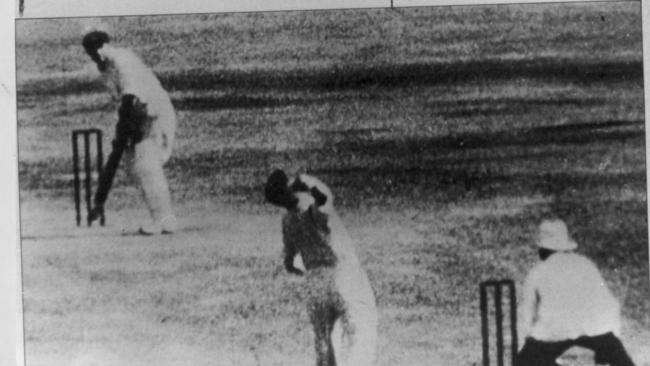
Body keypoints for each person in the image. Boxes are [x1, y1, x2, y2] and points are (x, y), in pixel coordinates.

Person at [82, 30, 177, 235]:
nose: (92, 59)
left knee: (146, 162)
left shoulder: (123, 61)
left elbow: (131, 103)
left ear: (99, 50)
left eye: (92, 54)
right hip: (140, 113)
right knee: (132, 163)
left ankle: (166, 220)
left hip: (155, 114)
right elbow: (124, 107)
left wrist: (124, 137)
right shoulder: (107, 69)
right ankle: (159, 219)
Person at [516, 219, 636, 366]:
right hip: (596, 331)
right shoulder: (585, 264)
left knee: (523, 361)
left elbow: (525, 313)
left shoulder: (537, 272)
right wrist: (612, 339)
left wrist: (527, 342)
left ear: (542, 249)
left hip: (554, 333)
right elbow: (610, 304)